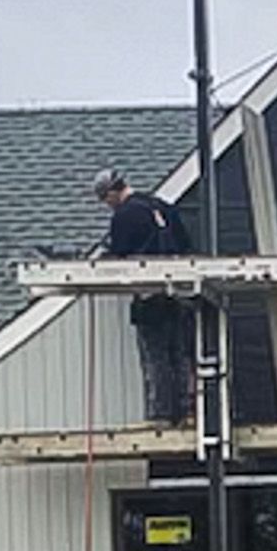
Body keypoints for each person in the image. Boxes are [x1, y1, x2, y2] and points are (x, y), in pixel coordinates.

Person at [94, 168, 194, 425]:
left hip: (149, 297)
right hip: (176, 294)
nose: (108, 206)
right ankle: (188, 411)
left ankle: (160, 414)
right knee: (179, 354)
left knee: (155, 357)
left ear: (112, 193)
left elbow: (118, 255)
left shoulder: (124, 215)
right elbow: (184, 245)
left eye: (106, 200)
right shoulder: (162, 206)